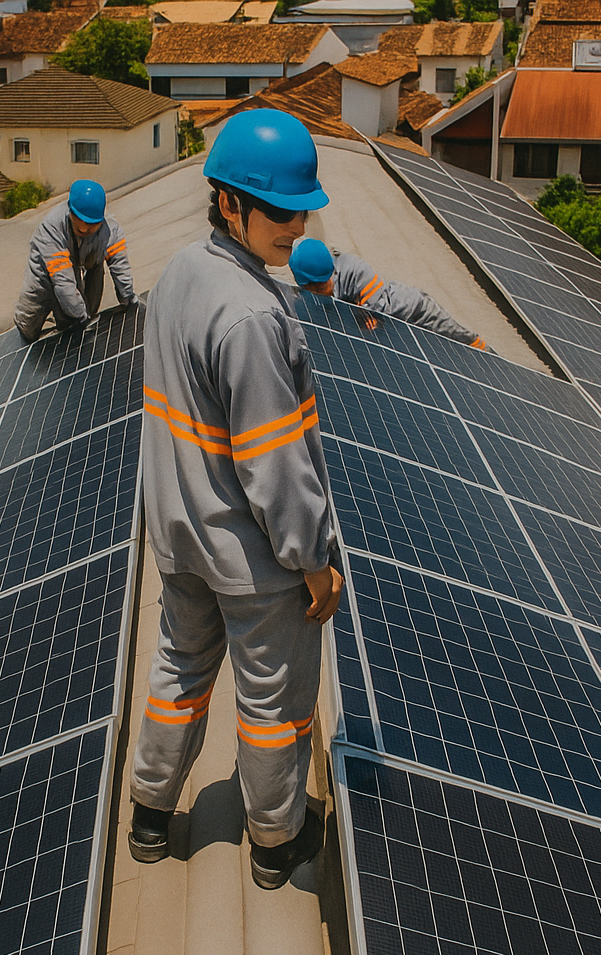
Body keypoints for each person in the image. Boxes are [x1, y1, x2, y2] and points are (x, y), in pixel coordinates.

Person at [130, 109, 343, 891]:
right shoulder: (251, 314)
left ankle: (150, 813)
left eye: (303, 209)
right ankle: (276, 842)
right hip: (251, 560)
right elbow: (275, 466)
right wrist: (312, 561)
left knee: (179, 669)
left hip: (179, 535)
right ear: (230, 203)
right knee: (273, 704)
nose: (298, 225)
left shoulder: (179, 273)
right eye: (280, 210)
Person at [289, 237, 487, 350]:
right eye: (313, 289)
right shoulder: (307, 290)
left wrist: (357, 319)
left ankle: (488, 353)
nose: (320, 292)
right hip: (394, 327)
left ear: (332, 272)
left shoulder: (356, 269)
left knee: (458, 337)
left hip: (413, 310)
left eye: (323, 286)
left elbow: (373, 320)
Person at [13, 178, 136, 342]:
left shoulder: (111, 231)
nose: (84, 229)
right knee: (27, 326)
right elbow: (63, 283)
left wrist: (129, 300)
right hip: (42, 278)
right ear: (70, 211)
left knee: (71, 328)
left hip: (73, 270)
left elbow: (120, 268)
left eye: (91, 226)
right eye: (80, 224)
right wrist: (81, 317)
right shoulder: (51, 229)